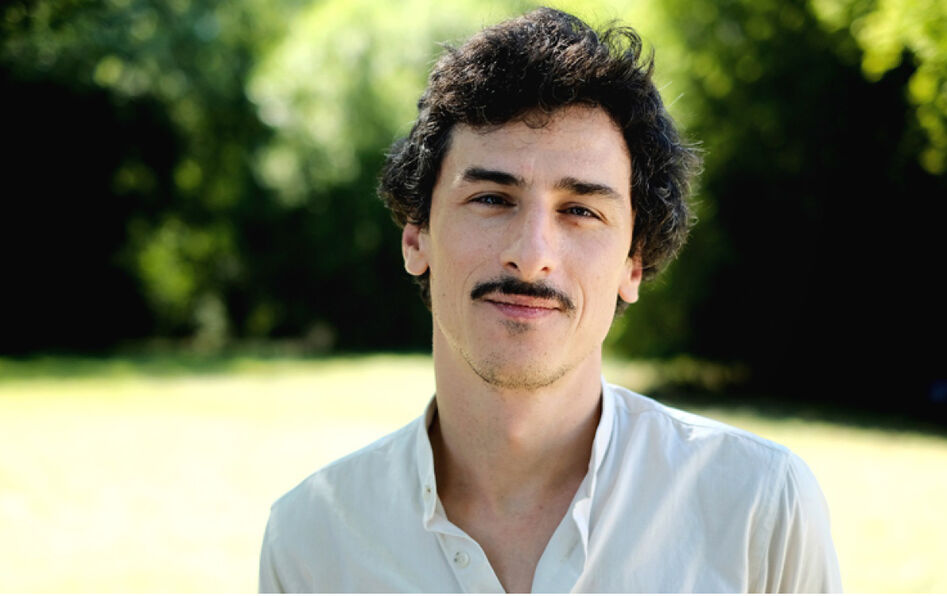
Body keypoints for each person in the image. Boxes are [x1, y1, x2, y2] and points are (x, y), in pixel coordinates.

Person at [258, 7, 842, 593]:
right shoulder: (312, 540)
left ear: (633, 265)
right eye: (492, 199)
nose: (532, 254)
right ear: (416, 237)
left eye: (581, 210)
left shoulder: (759, 509)